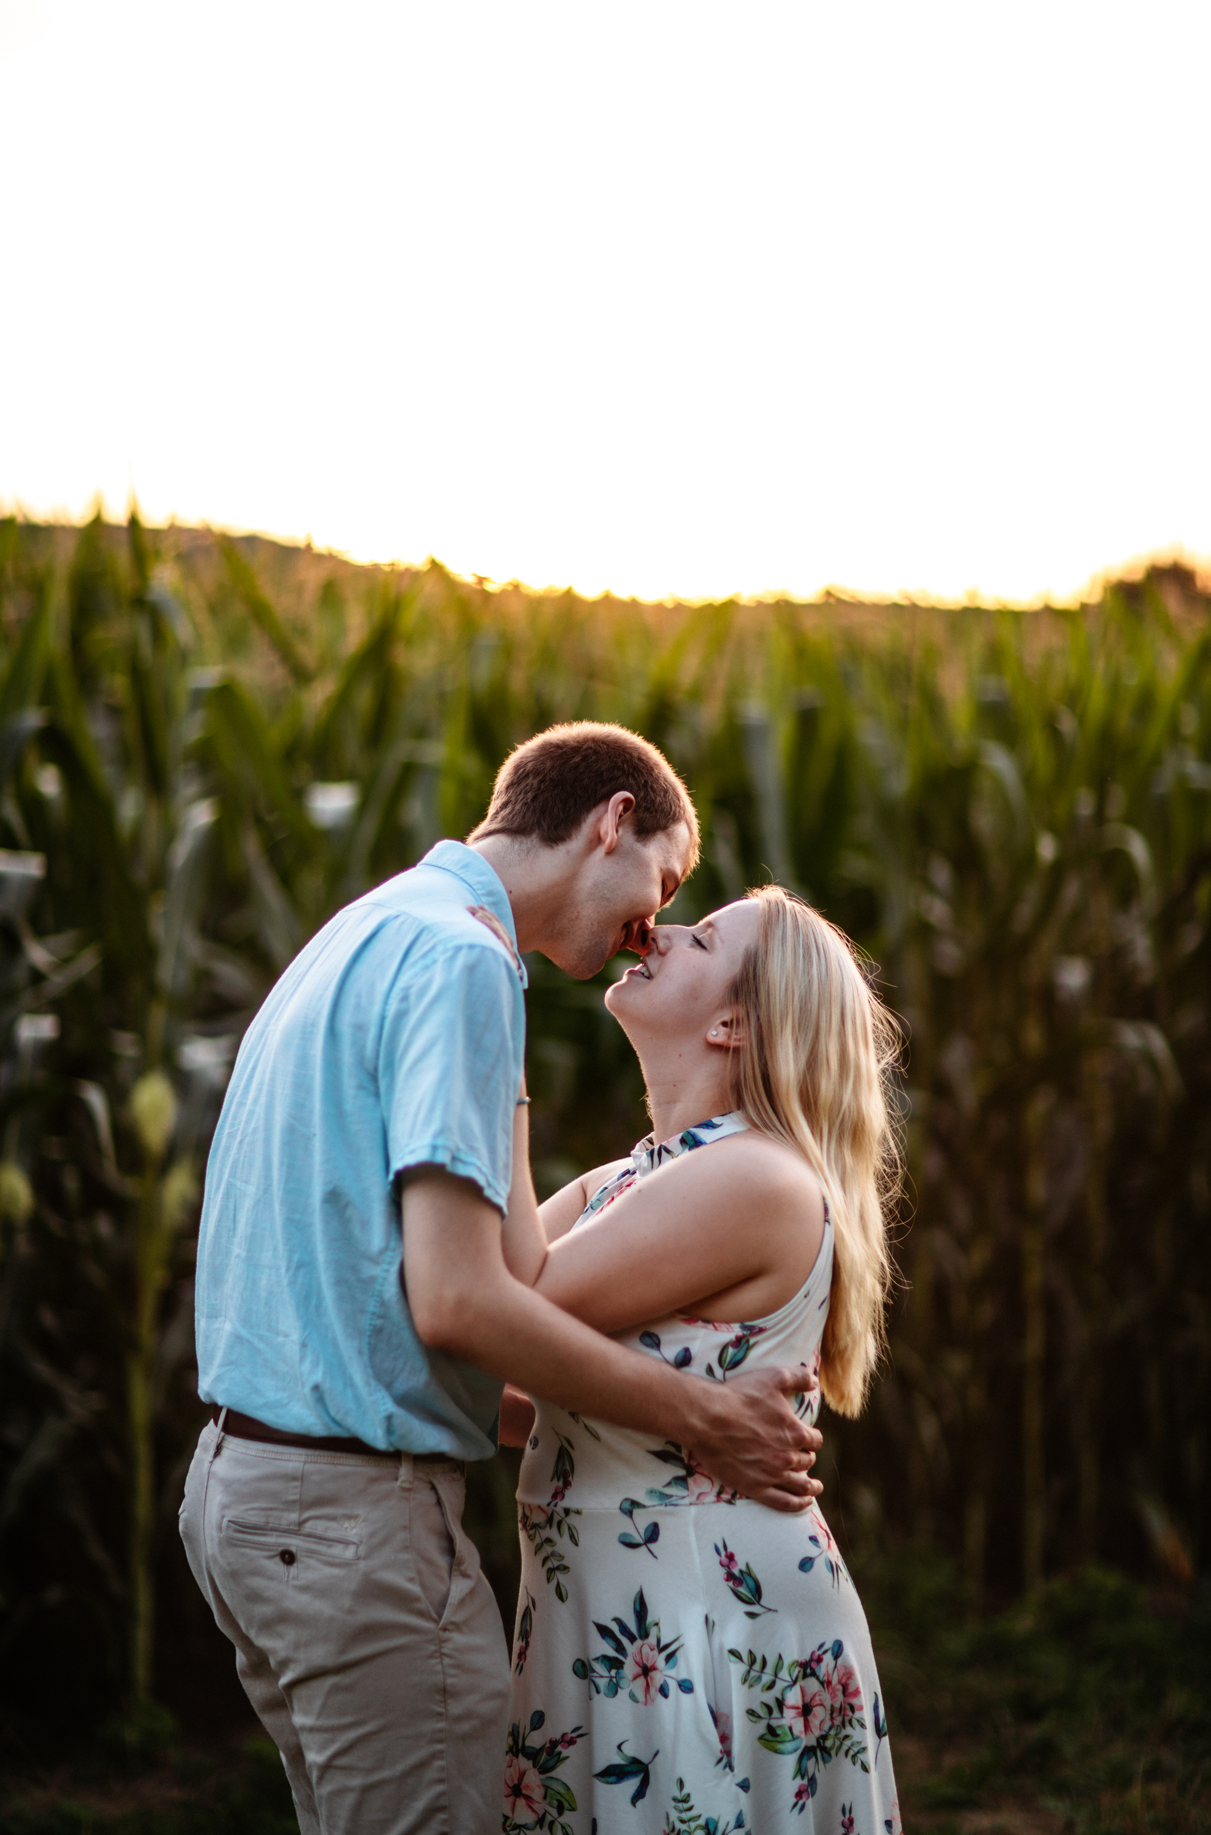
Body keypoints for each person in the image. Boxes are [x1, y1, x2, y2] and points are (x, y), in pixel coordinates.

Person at [179, 722, 822, 1835]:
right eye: (663, 881)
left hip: (244, 1489)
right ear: (611, 822)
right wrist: (704, 1414)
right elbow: (464, 1300)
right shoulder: (465, 960)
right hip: (349, 1516)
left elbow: (514, 1271)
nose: (648, 927)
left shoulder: (374, 925)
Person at [498, 886, 902, 1834]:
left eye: (700, 934)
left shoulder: (753, 1174)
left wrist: (488, 1053)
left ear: (733, 1021)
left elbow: (510, 1306)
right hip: (608, 1613)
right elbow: (492, 1362)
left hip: (700, 1623)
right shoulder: (623, 1180)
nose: (655, 929)